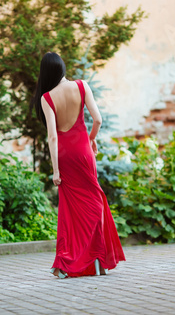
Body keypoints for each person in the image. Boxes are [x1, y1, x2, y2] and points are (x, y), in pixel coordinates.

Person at [32, 52, 126, 278]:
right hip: (84, 153)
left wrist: (55, 170)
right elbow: (98, 119)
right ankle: (99, 261)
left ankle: (66, 263)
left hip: (65, 157)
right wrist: (91, 138)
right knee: (95, 201)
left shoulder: (47, 98)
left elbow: (52, 137)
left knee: (70, 211)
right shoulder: (82, 86)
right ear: (63, 68)